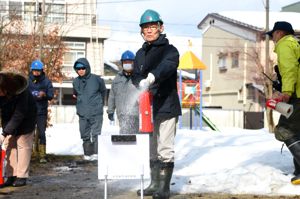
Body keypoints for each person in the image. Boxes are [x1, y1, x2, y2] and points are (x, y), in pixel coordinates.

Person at [131, 9, 181, 199]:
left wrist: (152, 77)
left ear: (160, 27)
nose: (149, 30)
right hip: (147, 107)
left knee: (164, 147)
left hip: (167, 105)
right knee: (151, 147)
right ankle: (154, 184)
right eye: (145, 27)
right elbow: (135, 75)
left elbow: (168, 66)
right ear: (142, 31)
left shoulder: (170, 50)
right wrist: (139, 83)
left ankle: (164, 188)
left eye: (152, 26)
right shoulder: (140, 54)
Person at [266, 21, 300, 185]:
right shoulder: (296, 44)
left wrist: (286, 91)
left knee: (284, 130)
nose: (273, 38)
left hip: (297, 95)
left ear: (280, 33)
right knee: (298, 131)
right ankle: (298, 172)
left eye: (273, 34)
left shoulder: (285, 44)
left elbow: (290, 69)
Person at [0, 72, 37, 187]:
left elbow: (19, 114)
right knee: (9, 143)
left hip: (27, 117)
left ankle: (21, 176)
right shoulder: (1, 94)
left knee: (23, 145)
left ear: (7, 88)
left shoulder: (21, 91)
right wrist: (5, 132)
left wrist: (5, 132)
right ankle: (11, 175)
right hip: (9, 118)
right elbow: (4, 113)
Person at [73, 58, 107, 162]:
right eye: (78, 69)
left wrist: (97, 103)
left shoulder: (96, 79)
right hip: (83, 112)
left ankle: (96, 155)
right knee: (84, 134)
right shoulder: (75, 81)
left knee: (96, 134)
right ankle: (87, 155)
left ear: (87, 68)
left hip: (95, 112)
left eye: (83, 68)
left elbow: (103, 91)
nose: (81, 70)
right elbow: (76, 93)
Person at [107, 50, 139, 134]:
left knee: (135, 137)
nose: (127, 63)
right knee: (124, 136)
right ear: (122, 63)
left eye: (130, 61)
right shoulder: (117, 78)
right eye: (125, 62)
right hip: (122, 113)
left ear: (134, 63)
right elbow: (112, 96)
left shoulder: (138, 77)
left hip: (136, 114)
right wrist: (110, 111)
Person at [28, 60, 54, 163]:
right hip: (29, 111)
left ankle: (42, 156)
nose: (36, 73)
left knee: (42, 134)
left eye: (38, 71)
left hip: (41, 111)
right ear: (32, 70)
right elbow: (22, 95)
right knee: (28, 134)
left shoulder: (47, 82)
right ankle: (27, 155)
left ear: (42, 71)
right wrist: (31, 94)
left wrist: (44, 95)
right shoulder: (27, 81)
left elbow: (51, 96)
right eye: (34, 71)